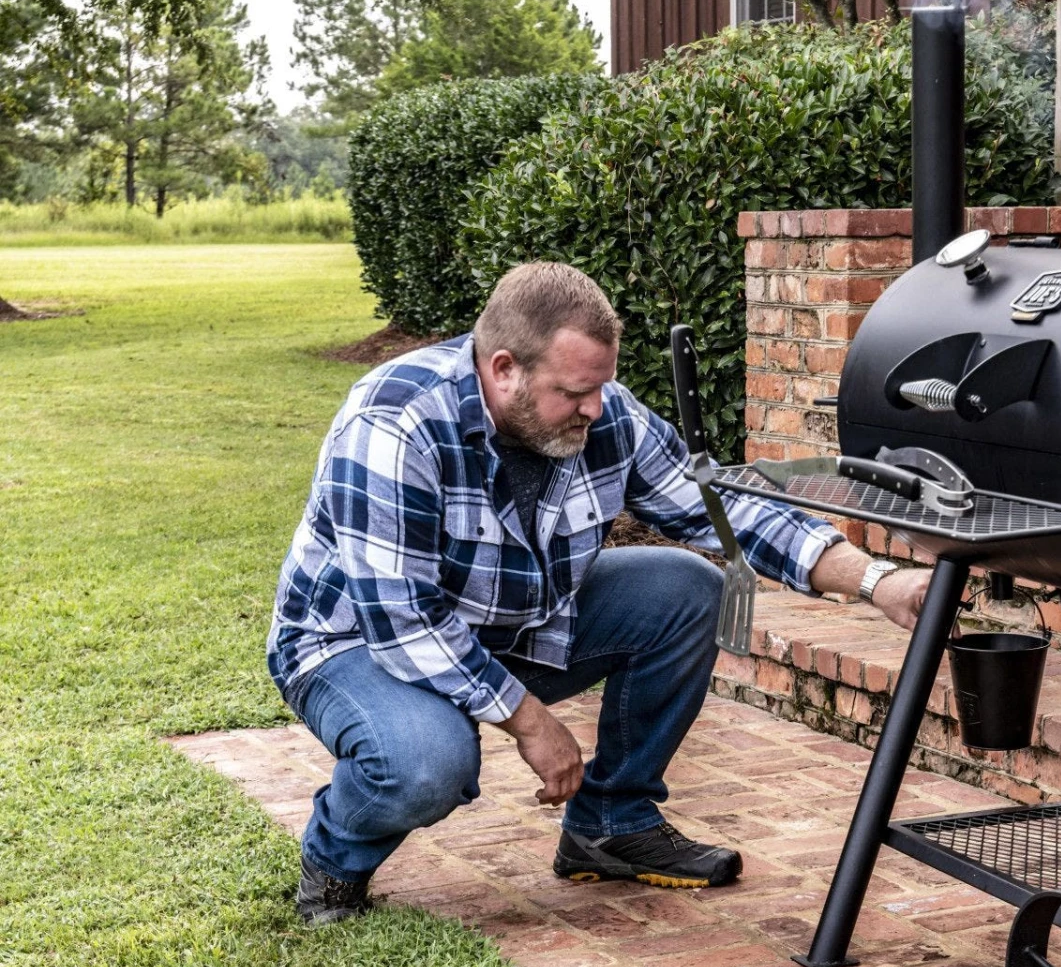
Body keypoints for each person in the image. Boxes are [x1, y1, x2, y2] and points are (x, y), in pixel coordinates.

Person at [268, 262, 931, 926]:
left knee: (686, 589)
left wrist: (878, 580)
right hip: (352, 644)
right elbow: (404, 621)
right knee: (425, 761)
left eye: (602, 386)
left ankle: (612, 825)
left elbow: (726, 510)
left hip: (505, 627)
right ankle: (334, 867)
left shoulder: (603, 414)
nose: (595, 407)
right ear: (504, 370)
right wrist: (531, 722)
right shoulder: (397, 423)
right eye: (574, 391)